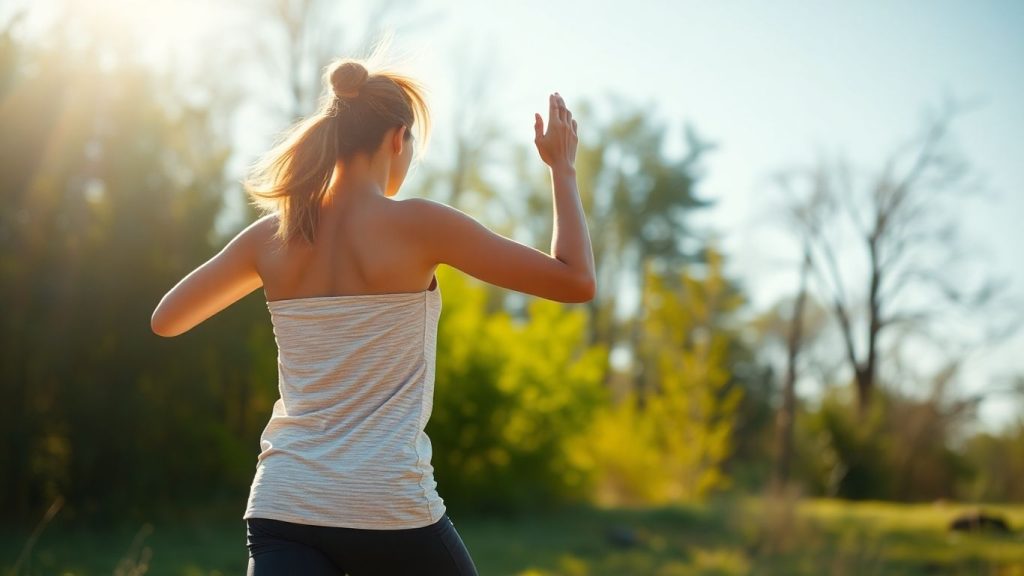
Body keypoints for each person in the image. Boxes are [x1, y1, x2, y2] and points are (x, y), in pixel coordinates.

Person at [150, 56, 595, 575]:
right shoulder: (420, 225)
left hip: (284, 504)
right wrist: (562, 170)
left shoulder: (273, 235)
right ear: (397, 138)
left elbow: (166, 319)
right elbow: (575, 281)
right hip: (388, 506)